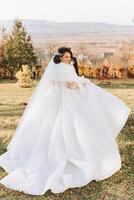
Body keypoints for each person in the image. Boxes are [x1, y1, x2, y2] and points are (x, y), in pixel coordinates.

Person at [0, 47, 131, 196]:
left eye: (70, 57)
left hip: (63, 99)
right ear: (60, 57)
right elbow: (70, 84)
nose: (69, 59)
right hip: (63, 101)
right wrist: (83, 83)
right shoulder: (62, 69)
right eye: (66, 57)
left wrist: (78, 82)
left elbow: (59, 83)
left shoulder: (61, 68)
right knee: (65, 127)